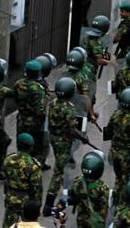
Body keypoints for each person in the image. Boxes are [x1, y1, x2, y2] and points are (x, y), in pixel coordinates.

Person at [43, 77, 89, 216]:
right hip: (64, 141)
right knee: (58, 171)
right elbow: (72, 130)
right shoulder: (69, 108)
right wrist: (82, 137)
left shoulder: (53, 103)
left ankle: (65, 187)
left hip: (54, 138)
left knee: (60, 164)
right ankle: (48, 204)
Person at [104, 86, 130, 205]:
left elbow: (109, 130)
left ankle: (115, 201)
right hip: (126, 157)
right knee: (127, 181)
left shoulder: (116, 114)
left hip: (115, 153)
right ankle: (122, 205)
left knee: (118, 179)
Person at [1, 133, 43, 228]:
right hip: (27, 201)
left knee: (8, 224)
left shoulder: (8, 159)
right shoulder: (33, 165)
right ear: (31, 148)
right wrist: (37, 206)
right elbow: (36, 188)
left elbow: (5, 176)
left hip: (11, 197)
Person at [14, 61, 49, 169]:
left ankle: (22, 165)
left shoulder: (18, 84)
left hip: (21, 119)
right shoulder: (38, 89)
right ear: (38, 73)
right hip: (35, 123)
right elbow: (40, 111)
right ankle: (36, 167)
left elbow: (15, 98)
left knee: (23, 143)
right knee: (39, 145)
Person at [66, 151, 110, 228]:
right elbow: (103, 211)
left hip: (81, 220)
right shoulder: (103, 187)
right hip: (95, 222)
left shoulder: (77, 182)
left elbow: (71, 197)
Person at [82, 14, 110, 82]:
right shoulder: (96, 41)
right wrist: (112, 63)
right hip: (89, 71)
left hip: (82, 66)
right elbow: (99, 60)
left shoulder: (87, 36)